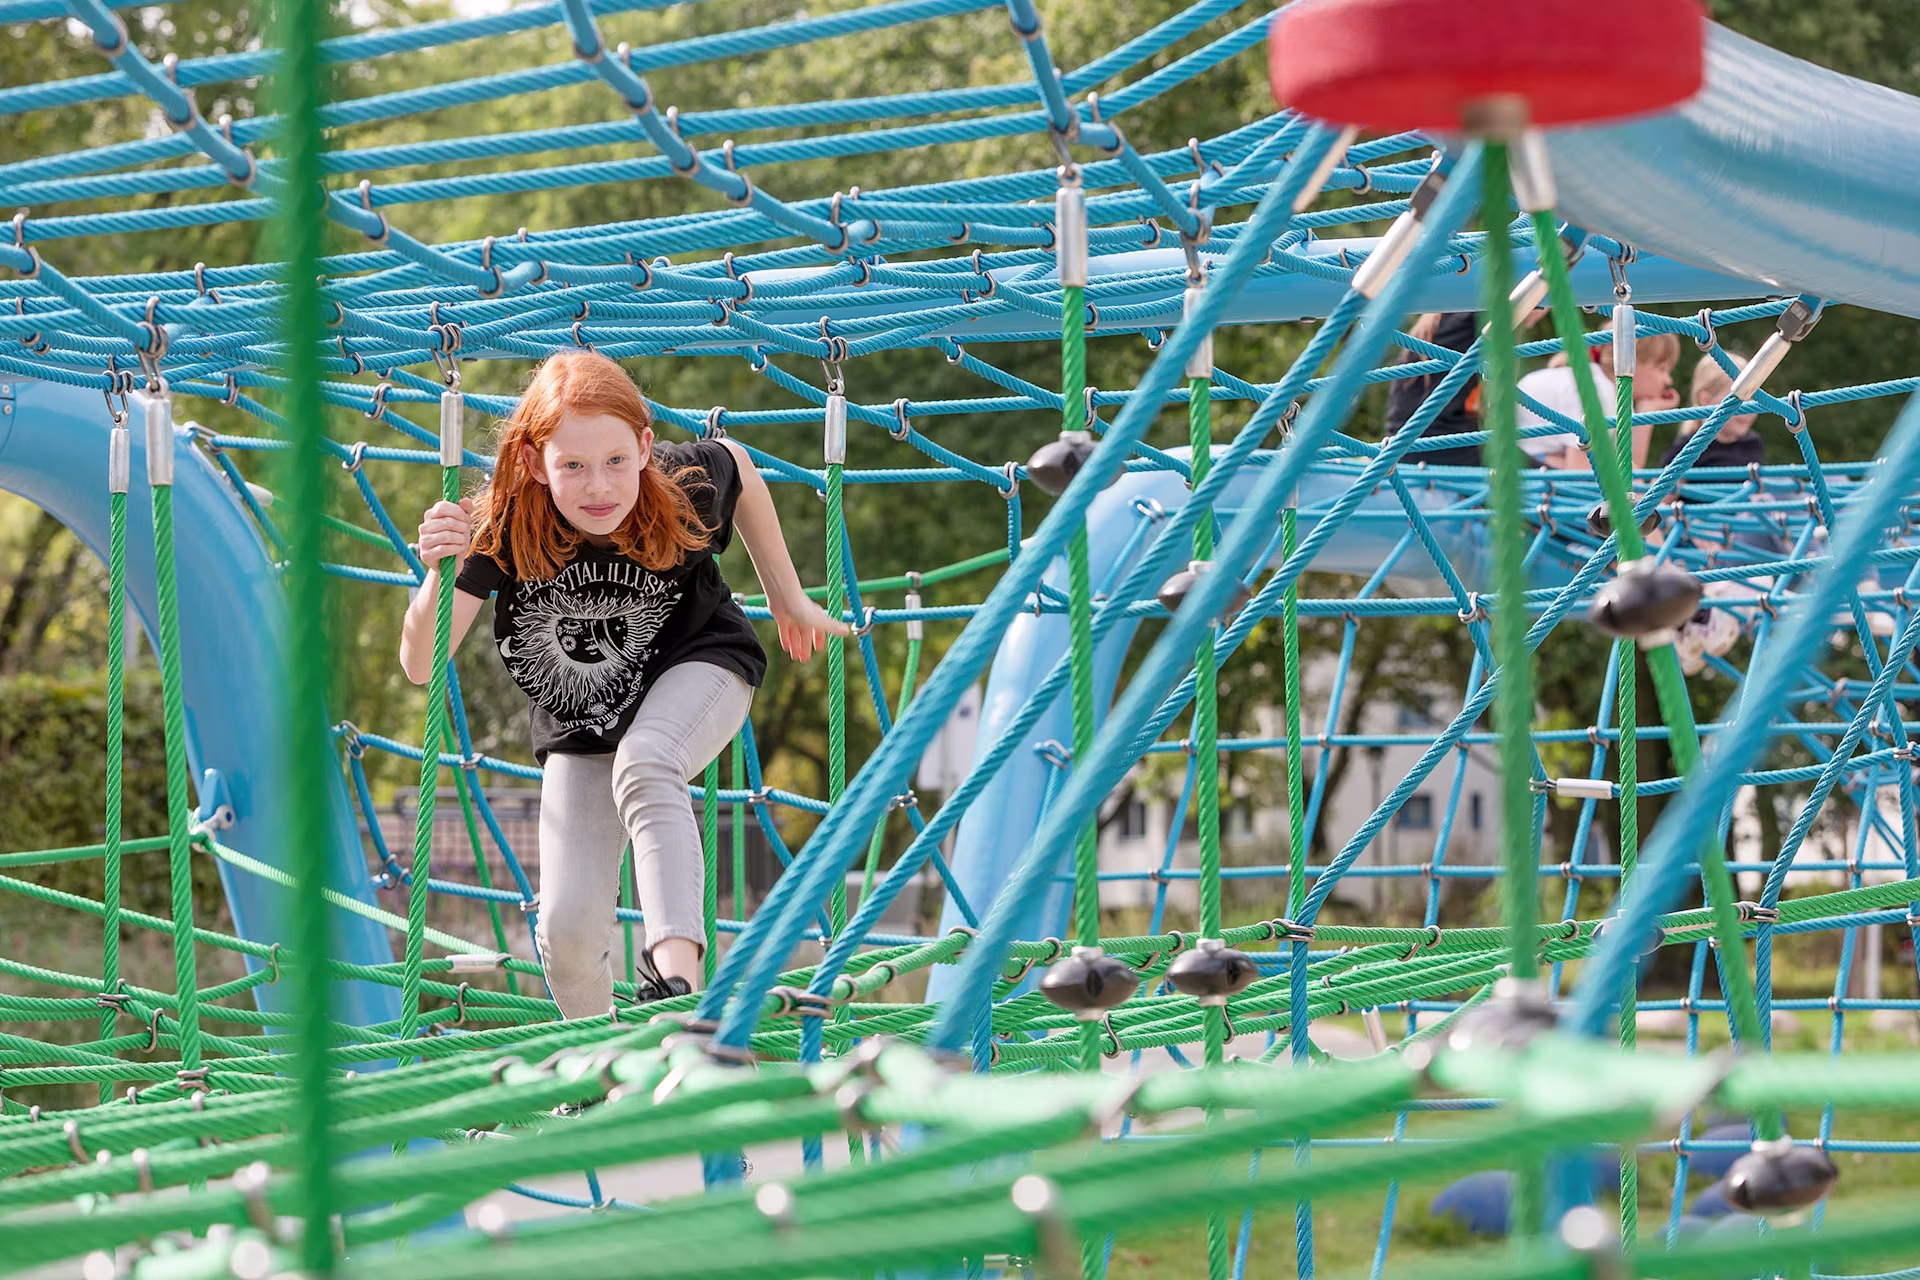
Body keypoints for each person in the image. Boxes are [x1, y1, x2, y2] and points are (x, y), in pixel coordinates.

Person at [399, 350, 847, 1018]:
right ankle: (595, 1072)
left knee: (648, 762)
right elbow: (419, 664)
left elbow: (740, 464)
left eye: (614, 460)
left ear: (643, 447)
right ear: (533, 463)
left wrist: (785, 595)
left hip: (700, 667)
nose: (598, 486)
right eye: (572, 466)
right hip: (582, 721)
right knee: (568, 929)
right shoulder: (499, 523)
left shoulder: (678, 482)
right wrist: (441, 569)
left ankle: (678, 990)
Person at [1661, 349, 1762, 471]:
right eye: (1741, 399)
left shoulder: (1752, 444)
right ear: (1706, 401)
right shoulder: (1687, 449)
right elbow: (1659, 484)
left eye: (1752, 398)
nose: (1750, 409)